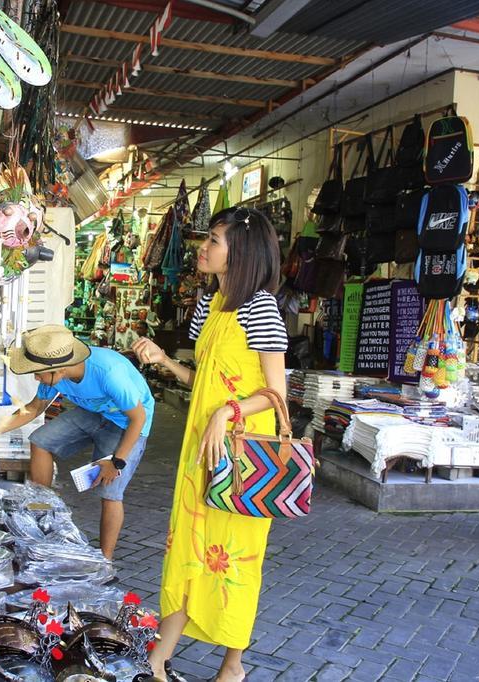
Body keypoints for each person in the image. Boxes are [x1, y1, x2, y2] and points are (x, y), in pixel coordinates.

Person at [132, 207, 288, 682]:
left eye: (214, 240)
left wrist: (229, 411)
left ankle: (232, 666)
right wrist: (162, 361)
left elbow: (277, 395)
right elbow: (205, 380)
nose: (204, 247)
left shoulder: (262, 306)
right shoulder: (210, 305)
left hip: (242, 456)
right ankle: (160, 655)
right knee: (188, 550)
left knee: (234, 559)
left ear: (240, 252)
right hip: (202, 448)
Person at [0, 324, 154, 559]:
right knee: (40, 440)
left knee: (110, 492)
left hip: (127, 423)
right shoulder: (56, 374)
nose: (35, 377)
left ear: (58, 369)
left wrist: (117, 461)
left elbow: (138, 418)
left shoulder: (109, 373)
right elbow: (33, 408)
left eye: (38, 372)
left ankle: (105, 560)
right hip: (95, 412)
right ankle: (44, 511)